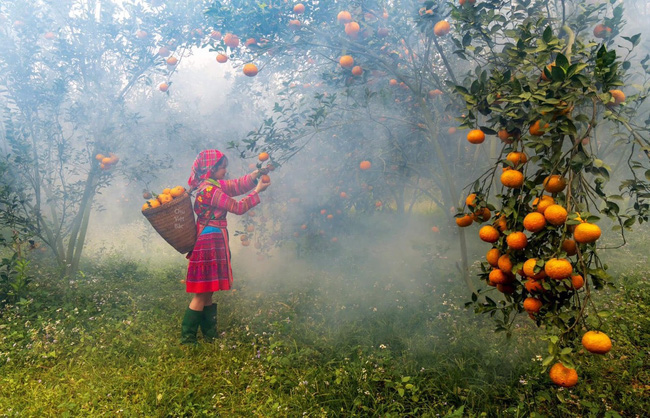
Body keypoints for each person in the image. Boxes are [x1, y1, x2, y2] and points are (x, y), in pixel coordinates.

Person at [181, 149, 270, 344]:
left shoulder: (211, 185)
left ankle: (210, 335)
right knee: (201, 293)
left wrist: (256, 174)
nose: (225, 171)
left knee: (208, 291)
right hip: (209, 241)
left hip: (212, 238)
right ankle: (187, 340)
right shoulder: (210, 191)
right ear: (211, 169)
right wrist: (257, 192)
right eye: (222, 168)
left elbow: (235, 186)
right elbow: (237, 207)